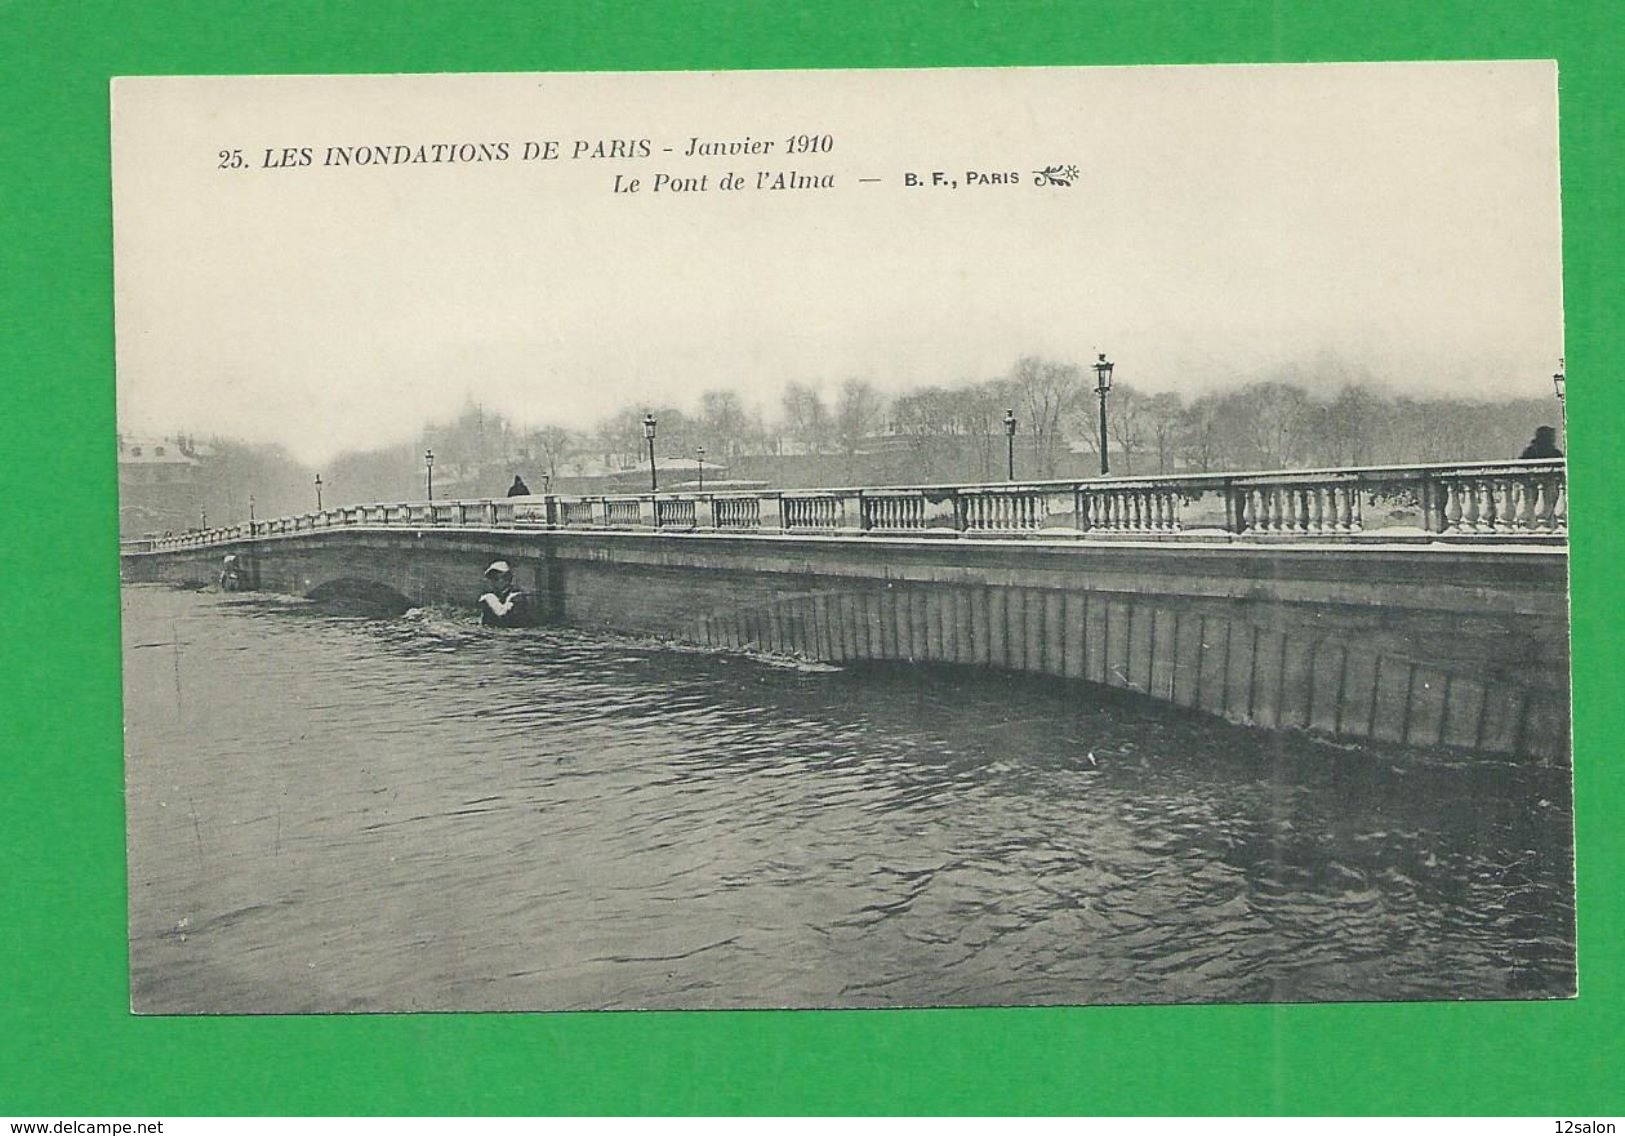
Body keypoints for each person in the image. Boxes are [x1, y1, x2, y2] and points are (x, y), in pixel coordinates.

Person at [477, 560, 532, 627]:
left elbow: (503, 614)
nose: (492, 582)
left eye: (495, 578)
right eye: (491, 578)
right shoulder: (496, 596)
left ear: (507, 579)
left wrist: (490, 599)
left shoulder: (517, 596)